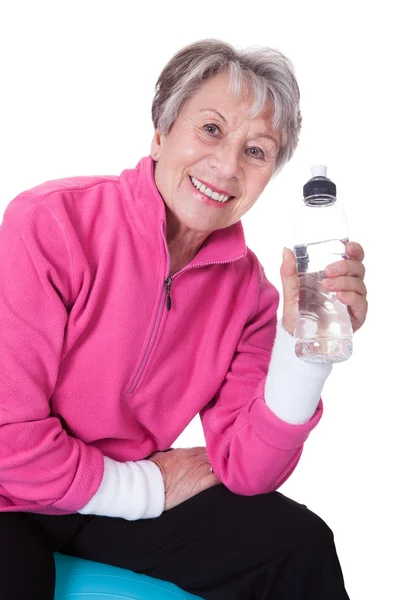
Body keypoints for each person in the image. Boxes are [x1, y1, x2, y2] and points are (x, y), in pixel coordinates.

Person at [0, 39, 368, 600]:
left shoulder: (249, 295)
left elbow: (248, 469)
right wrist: (146, 486)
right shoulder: (51, 224)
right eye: (212, 129)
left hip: (106, 504)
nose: (226, 166)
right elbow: (9, 444)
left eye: (257, 151)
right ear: (160, 132)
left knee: (299, 545)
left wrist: (303, 348)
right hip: (10, 496)